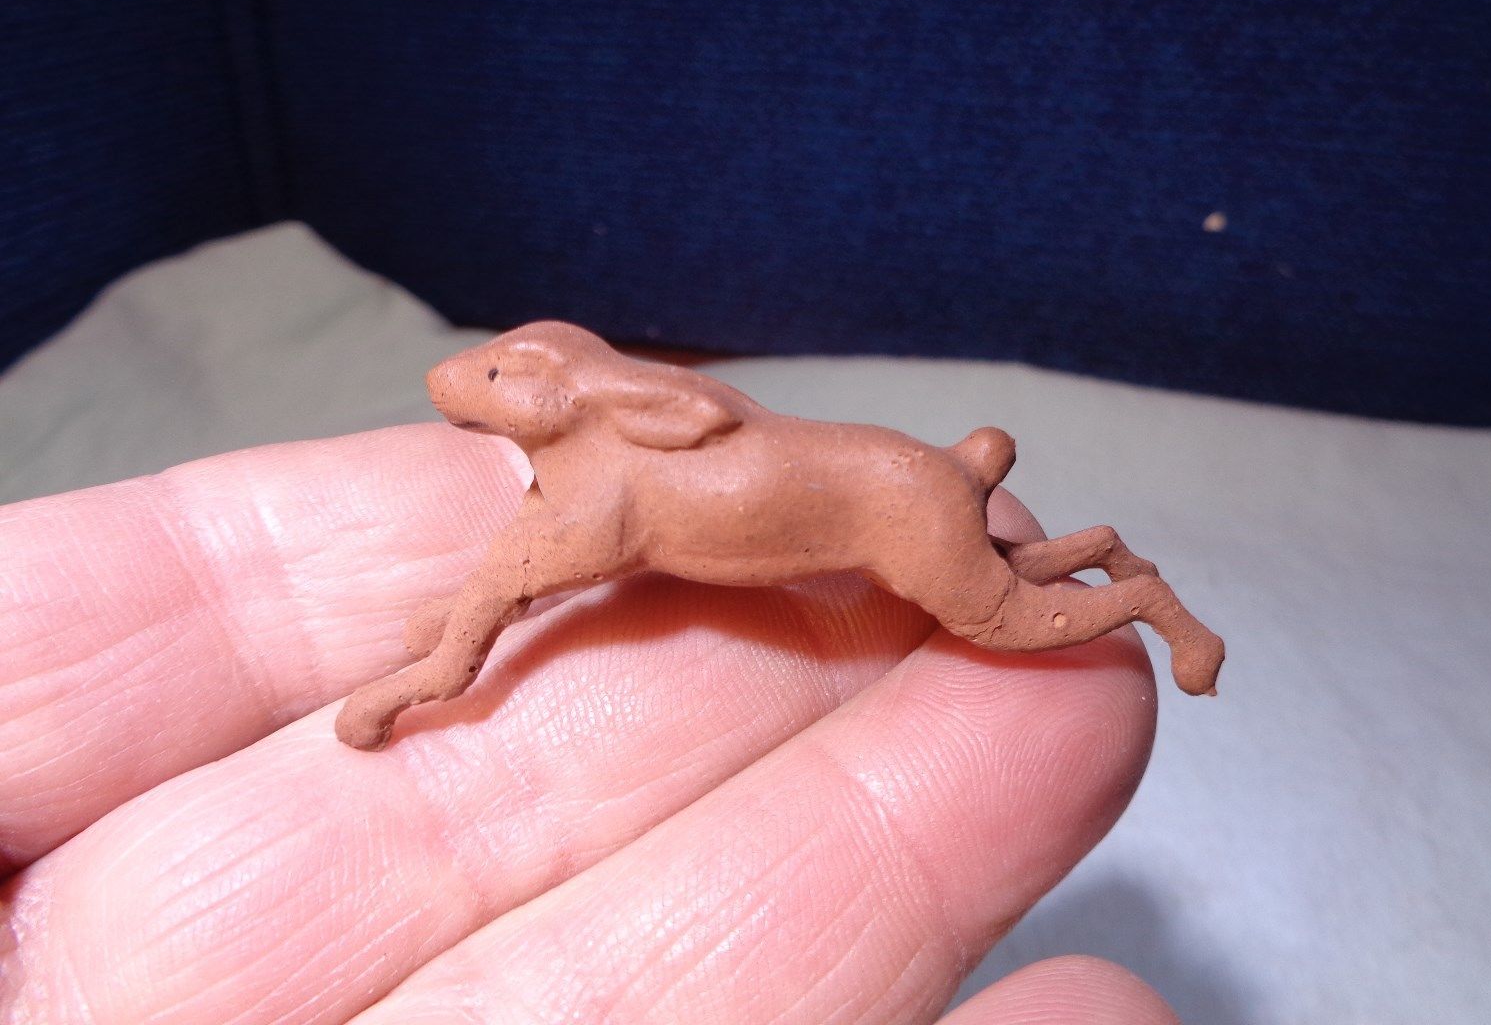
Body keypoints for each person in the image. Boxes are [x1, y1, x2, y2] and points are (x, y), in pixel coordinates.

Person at [0, 423, 1177, 1023]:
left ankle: (1151, 607)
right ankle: (1110, 558)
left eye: (505, 377)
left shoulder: (607, 490)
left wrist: (410, 676)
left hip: (902, 500)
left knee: (998, 614)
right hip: (912, 489)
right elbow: (510, 586)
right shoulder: (581, 488)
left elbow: (505, 600)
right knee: (992, 574)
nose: (464, 388)